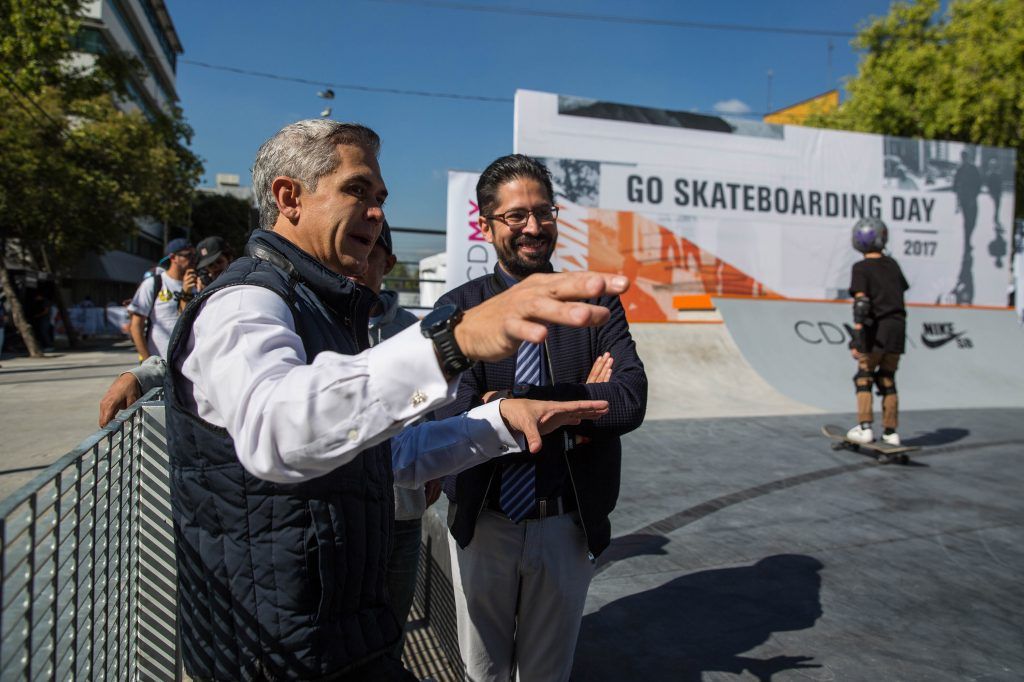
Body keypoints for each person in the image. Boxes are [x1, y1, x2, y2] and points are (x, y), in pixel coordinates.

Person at [163, 120, 628, 681]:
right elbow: (276, 433)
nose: (378, 212)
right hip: (272, 651)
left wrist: (502, 418)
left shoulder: (327, 308)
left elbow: (384, 455)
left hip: (335, 633)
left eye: (381, 197)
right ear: (289, 198)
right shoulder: (246, 303)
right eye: (358, 190)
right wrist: (449, 343)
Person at [435, 154, 648, 682]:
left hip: (566, 525)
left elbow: (629, 399)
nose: (534, 227)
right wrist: (579, 400)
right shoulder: (458, 311)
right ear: (486, 224)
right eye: (516, 216)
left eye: (544, 212)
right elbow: (452, 416)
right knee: (483, 674)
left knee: (546, 676)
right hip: (486, 524)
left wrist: (509, 404)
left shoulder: (592, 300)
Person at [845, 217, 909, 446]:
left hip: (875, 331)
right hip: (897, 330)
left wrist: (857, 338)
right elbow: (899, 294)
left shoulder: (860, 268)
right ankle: (891, 433)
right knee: (887, 379)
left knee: (864, 377)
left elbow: (861, 305)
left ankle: (865, 428)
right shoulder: (892, 265)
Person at [127, 238, 193, 360]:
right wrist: (148, 362)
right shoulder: (154, 283)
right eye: (187, 255)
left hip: (187, 364)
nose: (192, 260)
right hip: (160, 362)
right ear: (173, 258)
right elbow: (136, 326)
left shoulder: (196, 285)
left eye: (193, 255)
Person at [951, 148, 982, 303]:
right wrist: (959, 198)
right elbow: (955, 185)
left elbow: (978, 184)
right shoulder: (961, 169)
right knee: (967, 224)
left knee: (972, 222)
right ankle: (967, 241)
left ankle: (968, 240)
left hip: (971, 200)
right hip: (965, 201)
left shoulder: (972, 169)